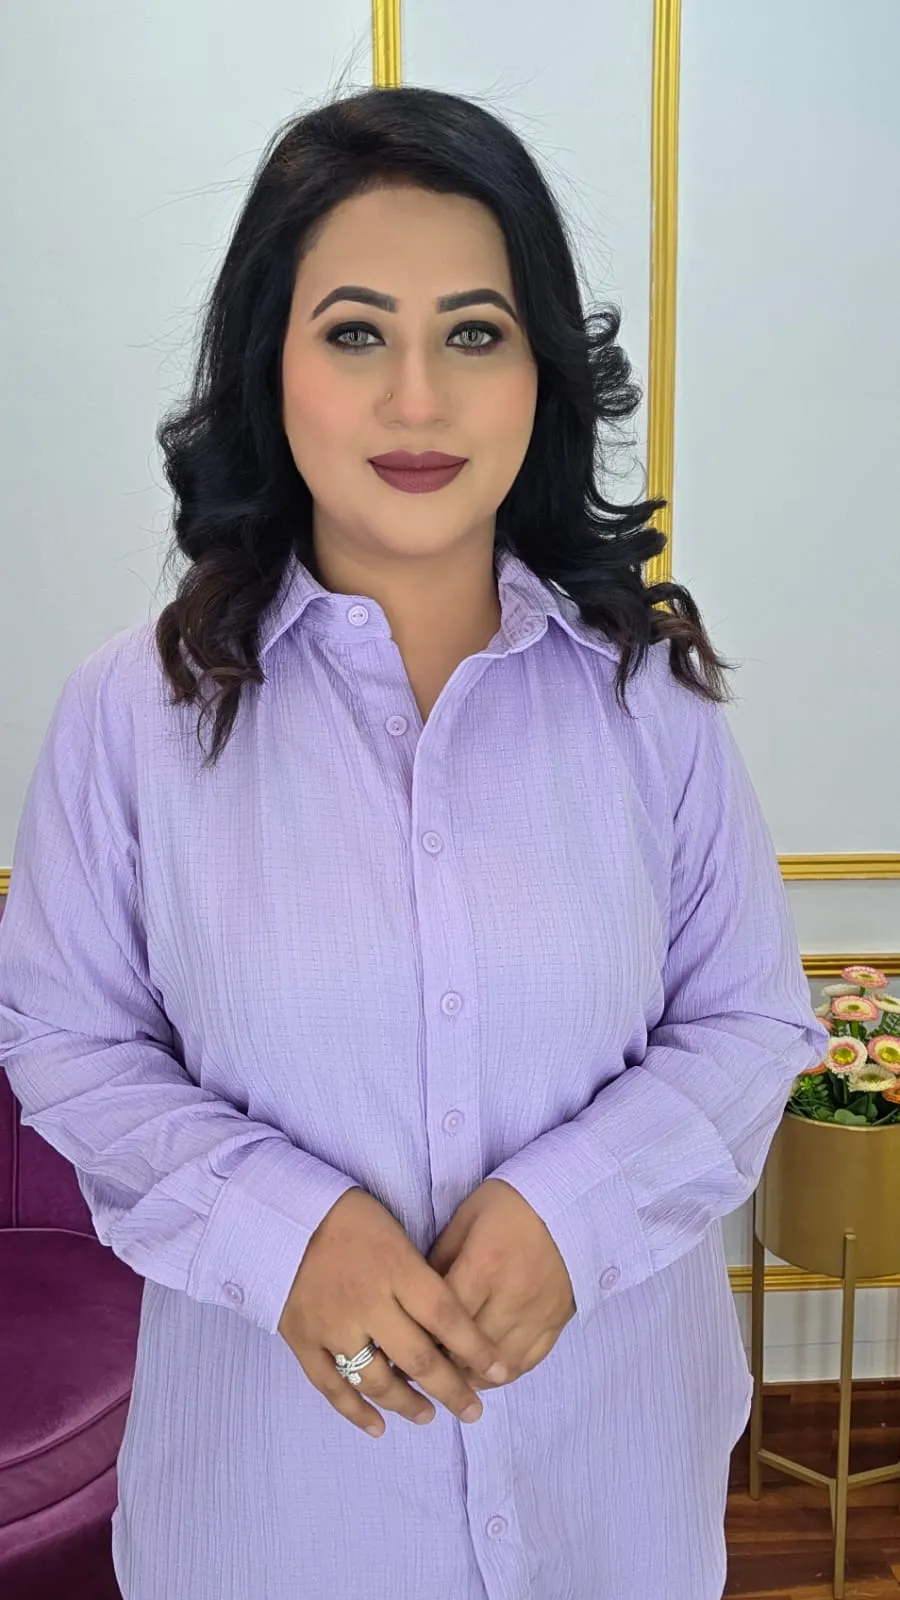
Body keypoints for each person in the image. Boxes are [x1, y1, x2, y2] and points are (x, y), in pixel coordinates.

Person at [0, 83, 828, 1600]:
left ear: (541, 373)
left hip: (612, 1501)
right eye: (355, 332)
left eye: (475, 332)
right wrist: (283, 1232)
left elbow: (749, 1020)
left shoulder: (647, 699)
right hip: (272, 1515)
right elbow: (65, 1039)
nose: (418, 400)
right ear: (270, 365)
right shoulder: (136, 713)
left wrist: (574, 1213)